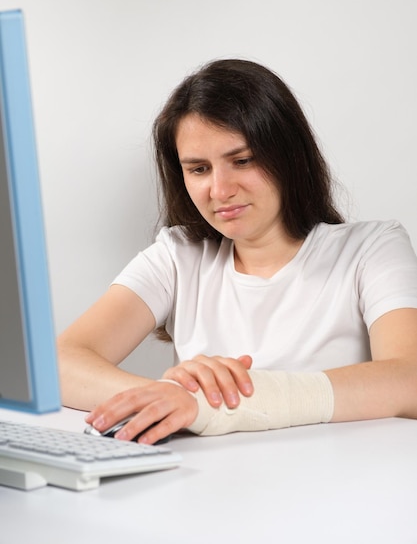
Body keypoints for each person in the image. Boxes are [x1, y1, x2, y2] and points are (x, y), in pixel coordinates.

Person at [57, 58, 417, 445]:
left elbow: (409, 379)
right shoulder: (178, 256)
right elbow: (58, 364)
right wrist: (167, 399)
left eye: (241, 161)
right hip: (205, 488)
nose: (220, 190)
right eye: (198, 169)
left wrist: (214, 404)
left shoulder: (372, 248)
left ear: (290, 156)